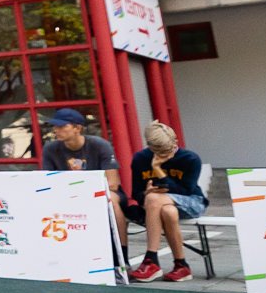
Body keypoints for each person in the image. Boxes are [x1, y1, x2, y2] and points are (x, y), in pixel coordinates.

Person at [124, 121, 205, 283]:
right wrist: (146, 192)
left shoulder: (190, 158)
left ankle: (151, 260)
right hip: (158, 207)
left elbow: (186, 190)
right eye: (159, 152)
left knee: (154, 199)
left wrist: (158, 170)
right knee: (167, 211)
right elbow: (136, 193)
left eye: (168, 150)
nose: (165, 154)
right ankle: (181, 265)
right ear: (150, 147)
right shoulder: (140, 159)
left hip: (191, 202)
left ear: (175, 142)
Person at [39, 108, 128, 246]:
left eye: (62, 126)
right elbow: (48, 182)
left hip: (101, 191)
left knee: (110, 201)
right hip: (67, 193)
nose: (56, 130)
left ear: (77, 128)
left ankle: (121, 251)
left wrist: (84, 188)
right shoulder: (50, 149)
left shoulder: (99, 145)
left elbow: (113, 184)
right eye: (55, 126)